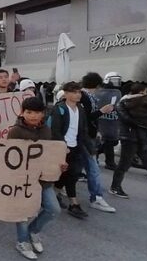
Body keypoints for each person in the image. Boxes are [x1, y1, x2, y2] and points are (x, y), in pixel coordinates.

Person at [9, 97, 67, 260]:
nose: (33, 116)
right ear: (22, 112)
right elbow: (9, 158)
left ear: (43, 113)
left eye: (37, 112)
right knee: (23, 212)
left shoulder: (46, 130)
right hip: (22, 180)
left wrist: (59, 165)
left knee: (53, 209)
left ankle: (33, 231)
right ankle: (22, 241)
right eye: (29, 112)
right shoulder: (15, 131)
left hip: (43, 179)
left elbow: (49, 153)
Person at [51, 82, 93, 219]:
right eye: (75, 92)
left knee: (70, 174)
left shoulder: (80, 109)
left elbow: (84, 129)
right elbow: (55, 131)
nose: (78, 95)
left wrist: (89, 146)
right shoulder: (59, 109)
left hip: (77, 146)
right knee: (70, 174)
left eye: (79, 92)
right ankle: (73, 203)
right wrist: (63, 146)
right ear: (66, 93)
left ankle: (55, 194)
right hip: (63, 148)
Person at [79, 72, 116, 213]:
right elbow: (86, 118)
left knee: (79, 166)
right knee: (93, 168)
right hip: (85, 137)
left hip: (88, 136)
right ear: (98, 85)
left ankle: (61, 188)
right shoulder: (84, 97)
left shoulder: (88, 97)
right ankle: (96, 197)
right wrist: (102, 111)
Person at [110, 83, 147, 198]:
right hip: (132, 137)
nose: (145, 94)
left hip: (136, 137)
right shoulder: (125, 104)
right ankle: (115, 187)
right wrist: (144, 124)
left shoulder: (123, 103)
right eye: (145, 91)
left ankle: (115, 187)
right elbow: (127, 119)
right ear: (141, 92)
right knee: (124, 164)